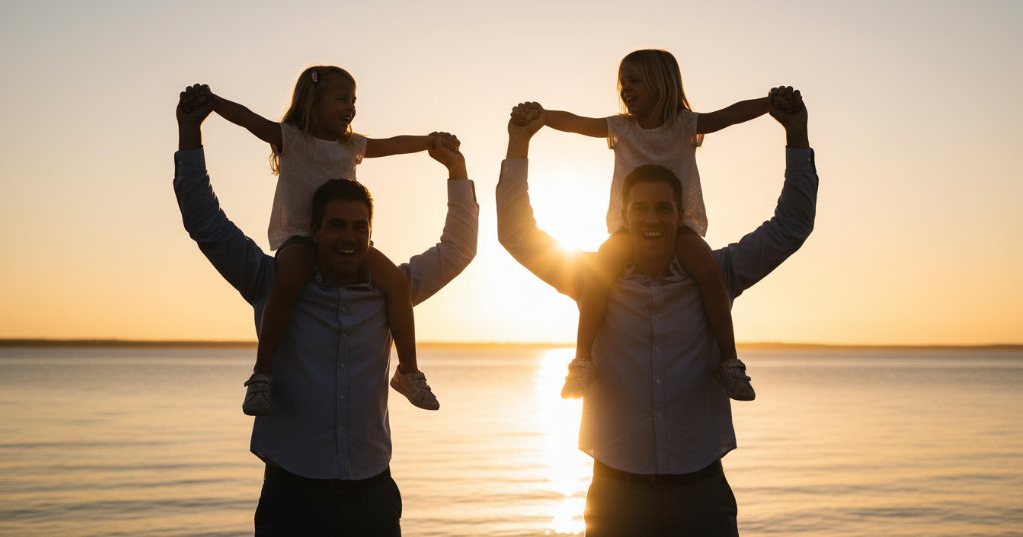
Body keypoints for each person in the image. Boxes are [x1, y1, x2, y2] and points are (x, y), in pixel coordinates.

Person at [497, 86, 816, 536]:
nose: (652, 219)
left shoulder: (718, 275)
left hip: (701, 495)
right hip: (616, 498)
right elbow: (517, 233)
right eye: (640, 209)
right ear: (624, 217)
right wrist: (519, 144)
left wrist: (796, 136)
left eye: (663, 208)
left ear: (679, 213)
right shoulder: (591, 281)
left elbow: (791, 225)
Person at [174, 84, 478, 536]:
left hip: (372, 498)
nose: (348, 237)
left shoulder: (390, 292)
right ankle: (261, 374)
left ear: (371, 234)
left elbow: (457, 249)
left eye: (359, 227)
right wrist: (190, 135)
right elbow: (206, 222)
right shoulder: (270, 282)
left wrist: (456, 170)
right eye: (336, 225)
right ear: (314, 230)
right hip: (291, 499)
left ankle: (409, 373)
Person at [514, 49, 772, 401]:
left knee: (709, 271)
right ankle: (582, 362)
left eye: (635, 81)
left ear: (661, 84)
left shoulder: (685, 124)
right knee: (598, 276)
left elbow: (730, 114)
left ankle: (729, 361)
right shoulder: (620, 128)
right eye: (623, 82)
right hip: (626, 227)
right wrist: (541, 116)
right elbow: (576, 121)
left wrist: (770, 103)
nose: (626, 89)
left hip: (678, 225)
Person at [205, 66, 447, 415]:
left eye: (354, 101)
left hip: (348, 239)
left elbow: (392, 144)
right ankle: (262, 374)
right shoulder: (291, 138)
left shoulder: (352, 146)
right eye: (342, 99)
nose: (350, 107)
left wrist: (428, 141)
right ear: (313, 101)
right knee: (286, 284)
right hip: (301, 237)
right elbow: (247, 118)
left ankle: (408, 371)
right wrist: (212, 101)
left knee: (395, 281)